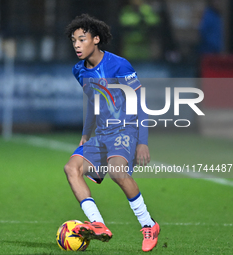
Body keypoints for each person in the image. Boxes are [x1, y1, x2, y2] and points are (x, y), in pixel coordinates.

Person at [63, 14, 160, 252]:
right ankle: (98, 224)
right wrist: (86, 133)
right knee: (71, 168)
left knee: (117, 171)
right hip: (102, 134)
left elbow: (139, 103)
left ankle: (148, 224)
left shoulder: (119, 65)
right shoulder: (79, 71)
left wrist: (142, 142)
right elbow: (92, 103)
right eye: (73, 40)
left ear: (96, 39)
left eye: (82, 39)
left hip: (125, 130)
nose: (76, 44)